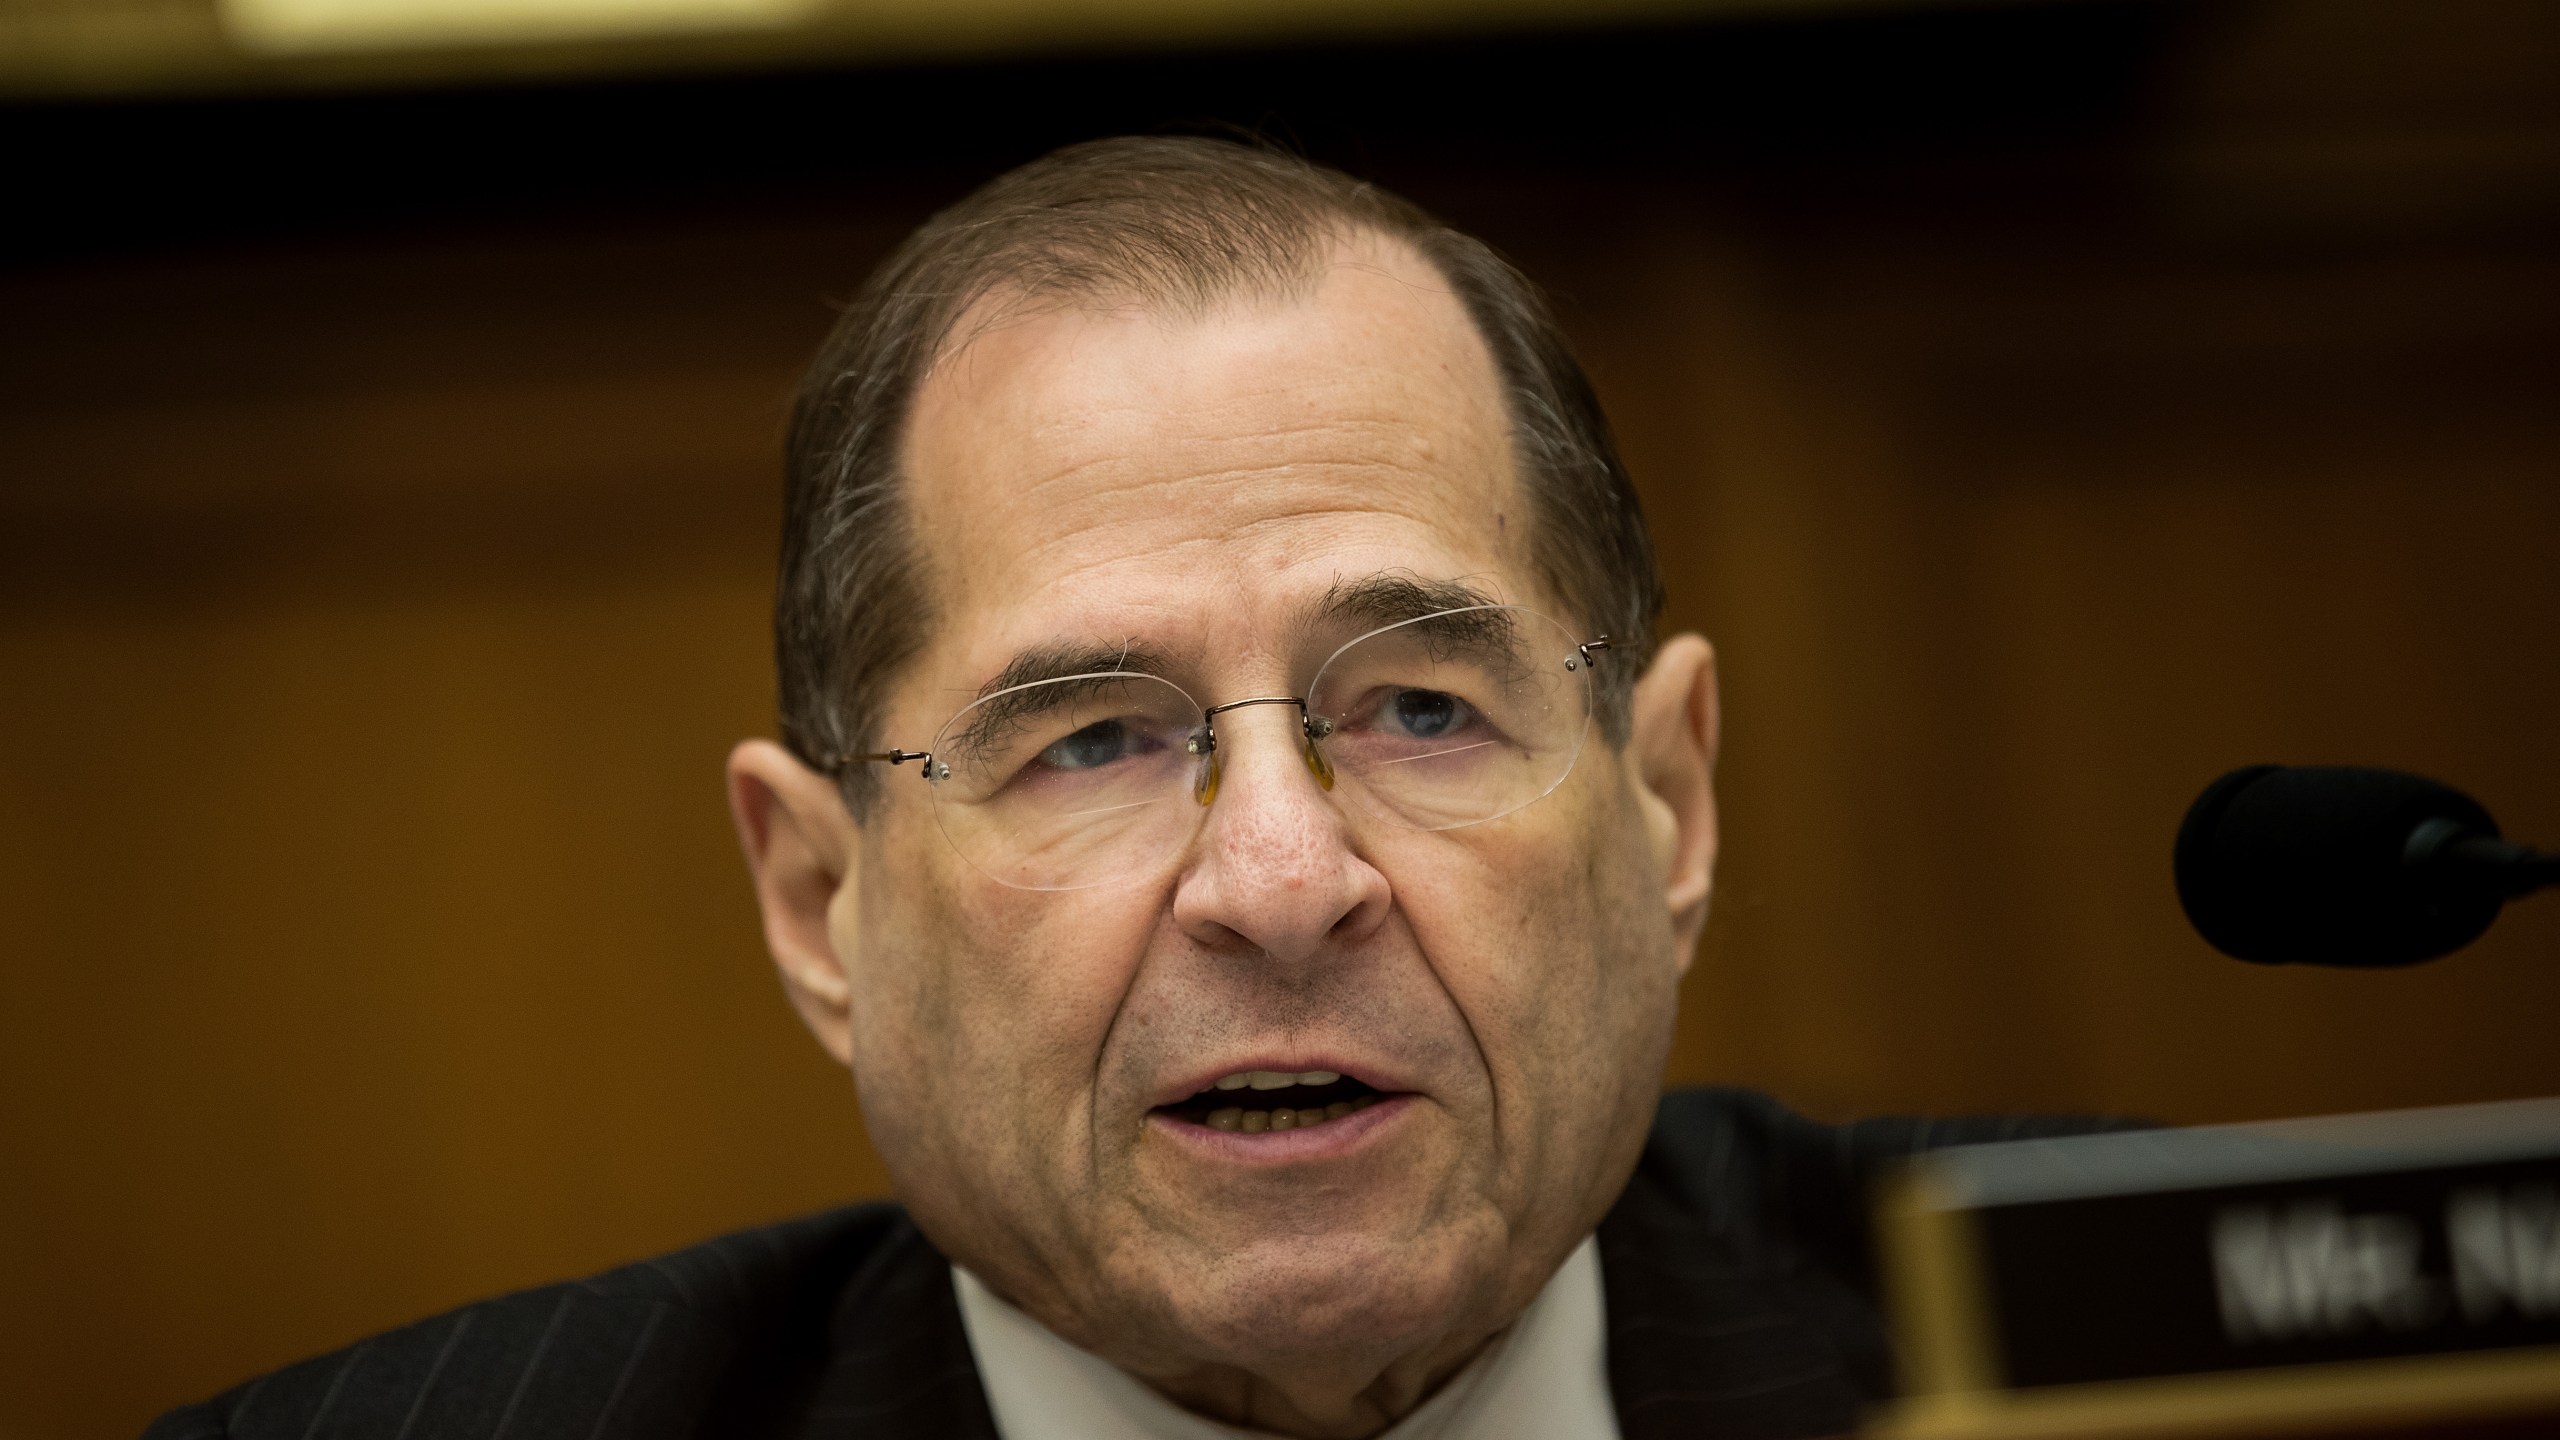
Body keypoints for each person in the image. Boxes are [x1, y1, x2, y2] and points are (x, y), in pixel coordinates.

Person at [147, 136, 2106, 1440]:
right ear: (823, 905)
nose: (1278, 876)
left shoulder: (2150, 1344)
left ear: (1661, 803)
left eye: (1420, 708)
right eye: (1090, 739)